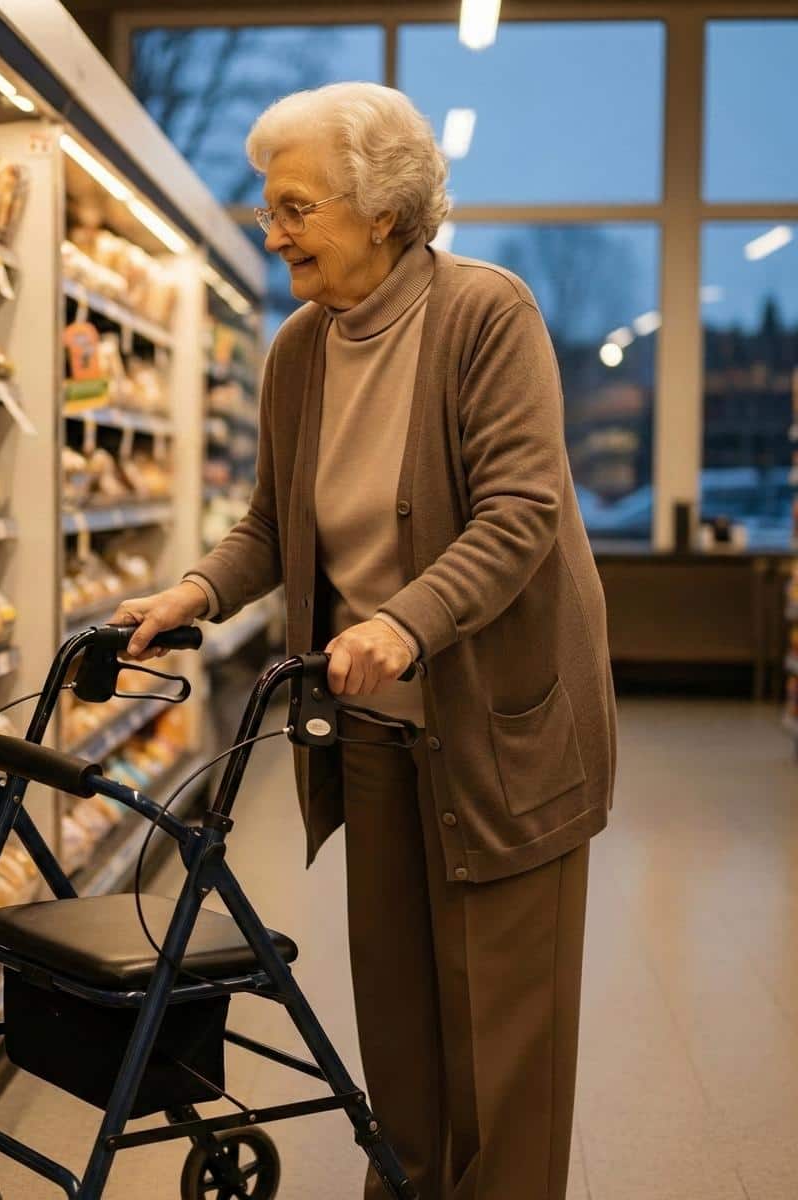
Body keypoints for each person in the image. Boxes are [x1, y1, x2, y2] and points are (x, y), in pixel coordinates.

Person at [114, 82, 616, 1200]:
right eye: (268, 206)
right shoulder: (299, 350)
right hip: (373, 733)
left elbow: (521, 511)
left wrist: (403, 621)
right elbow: (272, 527)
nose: (272, 230)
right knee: (399, 1023)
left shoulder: (487, 317)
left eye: (294, 206)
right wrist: (193, 592)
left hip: (501, 738)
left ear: (381, 211)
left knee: (504, 1045)